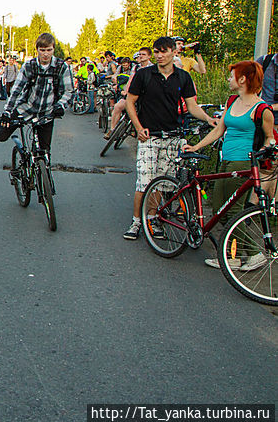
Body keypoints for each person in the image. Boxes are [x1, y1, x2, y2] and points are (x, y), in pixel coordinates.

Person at [123, 36, 217, 240]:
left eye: (163, 51)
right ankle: (136, 222)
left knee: (162, 182)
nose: (159, 55)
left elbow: (192, 106)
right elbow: (130, 102)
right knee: (144, 181)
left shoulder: (183, 77)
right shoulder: (144, 75)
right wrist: (138, 128)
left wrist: (209, 119)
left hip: (173, 136)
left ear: (174, 52)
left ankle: (153, 218)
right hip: (150, 136)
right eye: (156, 52)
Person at [183, 60, 274, 270]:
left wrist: (268, 152)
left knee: (232, 211)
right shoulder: (232, 100)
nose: (228, 79)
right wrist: (197, 147)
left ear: (243, 79)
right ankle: (234, 255)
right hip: (226, 160)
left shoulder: (262, 109)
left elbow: (270, 137)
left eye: (232, 76)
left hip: (244, 162)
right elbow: (219, 130)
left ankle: (253, 253)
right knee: (218, 209)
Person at [0, 33, 73, 157]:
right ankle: (1, 123)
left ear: (53, 49)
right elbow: (16, 90)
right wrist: (7, 112)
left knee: (44, 153)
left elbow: (69, 91)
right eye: (42, 50)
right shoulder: (29, 66)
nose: (46, 54)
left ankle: (44, 172)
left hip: (47, 113)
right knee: (1, 135)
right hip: (26, 109)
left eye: (49, 50)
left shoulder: (61, 66)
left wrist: (61, 105)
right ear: (37, 49)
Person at [105, 48, 152, 138]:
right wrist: (125, 91)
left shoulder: (152, 68)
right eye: (140, 54)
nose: (141, 56)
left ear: (149, 56)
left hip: (146, 96)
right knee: (118, 106)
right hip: (134, 94)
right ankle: (112, 130)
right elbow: (131, 79)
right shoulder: (136, 67)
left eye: (143, 54)